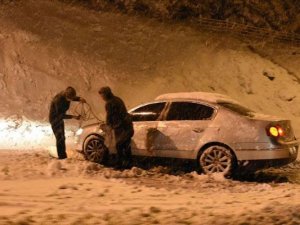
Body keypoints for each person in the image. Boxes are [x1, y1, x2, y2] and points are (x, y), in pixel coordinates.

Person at [99, 86, 134, 169]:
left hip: (122, 128)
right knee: (126, 146)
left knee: (119, 146)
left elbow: (110, 117)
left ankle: (120, 164)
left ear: (106, 94)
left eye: (102, 95)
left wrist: (107, 125)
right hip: (128, 126)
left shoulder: (109, 103)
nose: (101, 97)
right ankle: (128, 164)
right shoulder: (118, 99)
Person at [49, 86, 86, 159]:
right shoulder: (58, 100)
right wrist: (74, 117)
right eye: (70, 99)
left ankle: (63, 155)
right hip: (55, 119)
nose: (71, 100)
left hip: (59, 119)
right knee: (60, 138)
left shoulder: (67, 96)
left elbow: (72, 97)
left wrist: (79, 99)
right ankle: (62, 157)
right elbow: (61, 115)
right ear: (66, 96)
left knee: (62, 137)